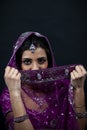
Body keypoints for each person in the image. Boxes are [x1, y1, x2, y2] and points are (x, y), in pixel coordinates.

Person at [0, 31, 87, 130]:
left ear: (49, 62)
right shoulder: (8, 96)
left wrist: (79, 89)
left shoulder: (62, 88)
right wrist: (15, 93)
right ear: (19, 65)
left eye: (41, 60)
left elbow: (80, 127)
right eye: (27, 62)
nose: (35, 68)